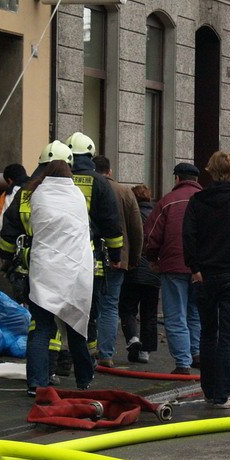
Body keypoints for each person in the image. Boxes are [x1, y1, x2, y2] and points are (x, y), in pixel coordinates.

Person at [184, 151, 230, 409]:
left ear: (210, 171)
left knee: (207, 333)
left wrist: (195, 269)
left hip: (204, 276)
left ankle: (207, 390)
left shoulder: (197, 201)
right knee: (228, 337)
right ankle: (222, 395)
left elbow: (189, 237)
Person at [0, 141, 72, 379]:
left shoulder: (25, 193)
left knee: (38, 322)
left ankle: (38, 377)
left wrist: (7, 261)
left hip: (30, 267)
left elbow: (7, 232)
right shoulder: (70, 195)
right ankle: (52, 369)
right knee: (56, 321)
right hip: (61, 267)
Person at [25, 158, 96, 394]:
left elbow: (36, 227)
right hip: (74, 269)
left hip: (45, 268)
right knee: (75, 326)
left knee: (42, 328)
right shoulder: (77, 196)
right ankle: (84, 379)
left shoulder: (38, 195)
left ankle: (36, 383)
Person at [65, 132, 124, 358]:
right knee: (90, 306)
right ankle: (87, 357)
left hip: (58, 256)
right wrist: (116, 255)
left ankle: (61, 356)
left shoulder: (59, 178)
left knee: (61, 305)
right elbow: (111, 222)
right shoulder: (98, 181)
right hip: (90, 257)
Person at [143, 162, 203, 375]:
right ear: (196, 180)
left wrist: (151, 258)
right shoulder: (207, 201)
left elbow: (152, 235)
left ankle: (183, 363)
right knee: (195, 312)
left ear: (177, 178)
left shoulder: (168, 201)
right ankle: (197, 354)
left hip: (173, 265)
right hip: (202, 269)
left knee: (176, 314)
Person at [92, 155, 143, 368]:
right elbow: (136, 228)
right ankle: (106, 354)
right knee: (111, 305)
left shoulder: (86, 188)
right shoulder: (124, 192)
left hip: (88, 256)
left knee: (90, 304)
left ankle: (86, 349)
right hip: (117, 258)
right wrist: (133, 258)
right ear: (110, 171)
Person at [119, 185, 161, 363]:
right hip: (153, 270)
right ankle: (146, 351)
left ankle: (132, 338)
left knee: (127, 308)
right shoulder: (158, 215)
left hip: (133, 269)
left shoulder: (130, 214)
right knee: (149, 313)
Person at [0, 162, 29, 253]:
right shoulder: (37, 187)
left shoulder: (9, 194)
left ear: (9, 180)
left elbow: (1, 225)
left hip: (16, 248)